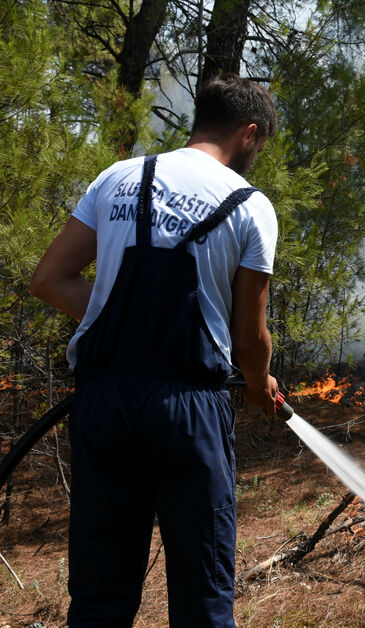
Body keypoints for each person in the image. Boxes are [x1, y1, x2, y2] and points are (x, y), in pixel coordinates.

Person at [29, 73, 280, 627]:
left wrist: (118, 318)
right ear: (249, 133)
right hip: (187, 412)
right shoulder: (249, 204)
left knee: (99, 596)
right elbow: (249, 337)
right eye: (259, 145)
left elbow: (48, 280)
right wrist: (259, 383)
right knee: (203, 595)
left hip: (104, 403)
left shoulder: (116, 178)